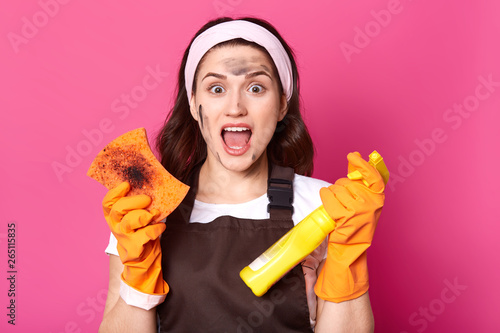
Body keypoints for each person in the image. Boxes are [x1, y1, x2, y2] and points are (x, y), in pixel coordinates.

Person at [98, 17, 385, 332]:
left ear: (280, 106)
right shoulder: (144, 214)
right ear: (195, 104)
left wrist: (349, 261)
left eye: (256, 87)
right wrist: (138, 281)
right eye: (217, 88)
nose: (235, 107)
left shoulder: (327, 206)